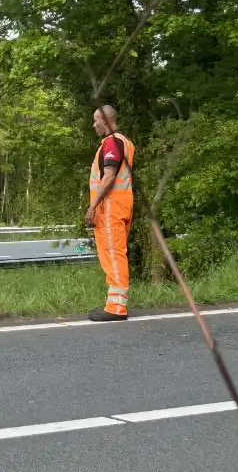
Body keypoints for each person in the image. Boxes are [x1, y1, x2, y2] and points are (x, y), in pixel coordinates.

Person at [85, 104, 135, 322]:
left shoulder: (112, 142)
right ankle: (114, 303)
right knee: (115, 253)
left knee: (114, 255)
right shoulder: (124, 141)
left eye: (96, 120)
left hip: (111, 208)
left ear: (105, 119)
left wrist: (92, 206)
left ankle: (116, 307)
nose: (94, 124)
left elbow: (109, 176)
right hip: (120, 205)